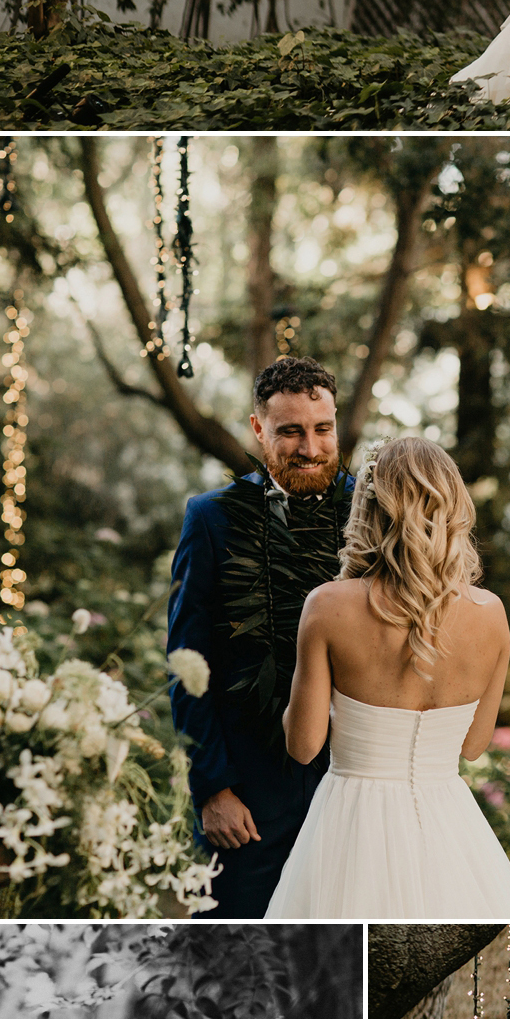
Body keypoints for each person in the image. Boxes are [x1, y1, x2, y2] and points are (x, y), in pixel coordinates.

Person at [266, 430, 510, 921]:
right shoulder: (491, 614)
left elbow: (302, 746)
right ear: (451, 507)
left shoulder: (327, 607)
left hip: (350, 821)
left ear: (369, 509)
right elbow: (471, 747)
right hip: (449, 825)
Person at [167, 354, 356, 916]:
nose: (310, 447)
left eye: (323, 429)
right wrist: (212, 790)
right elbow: (186, 661)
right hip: (246, 802)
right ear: (258, 430)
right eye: (291, 431)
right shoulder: (211, 518)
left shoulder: (376, 515)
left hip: (348, 793)